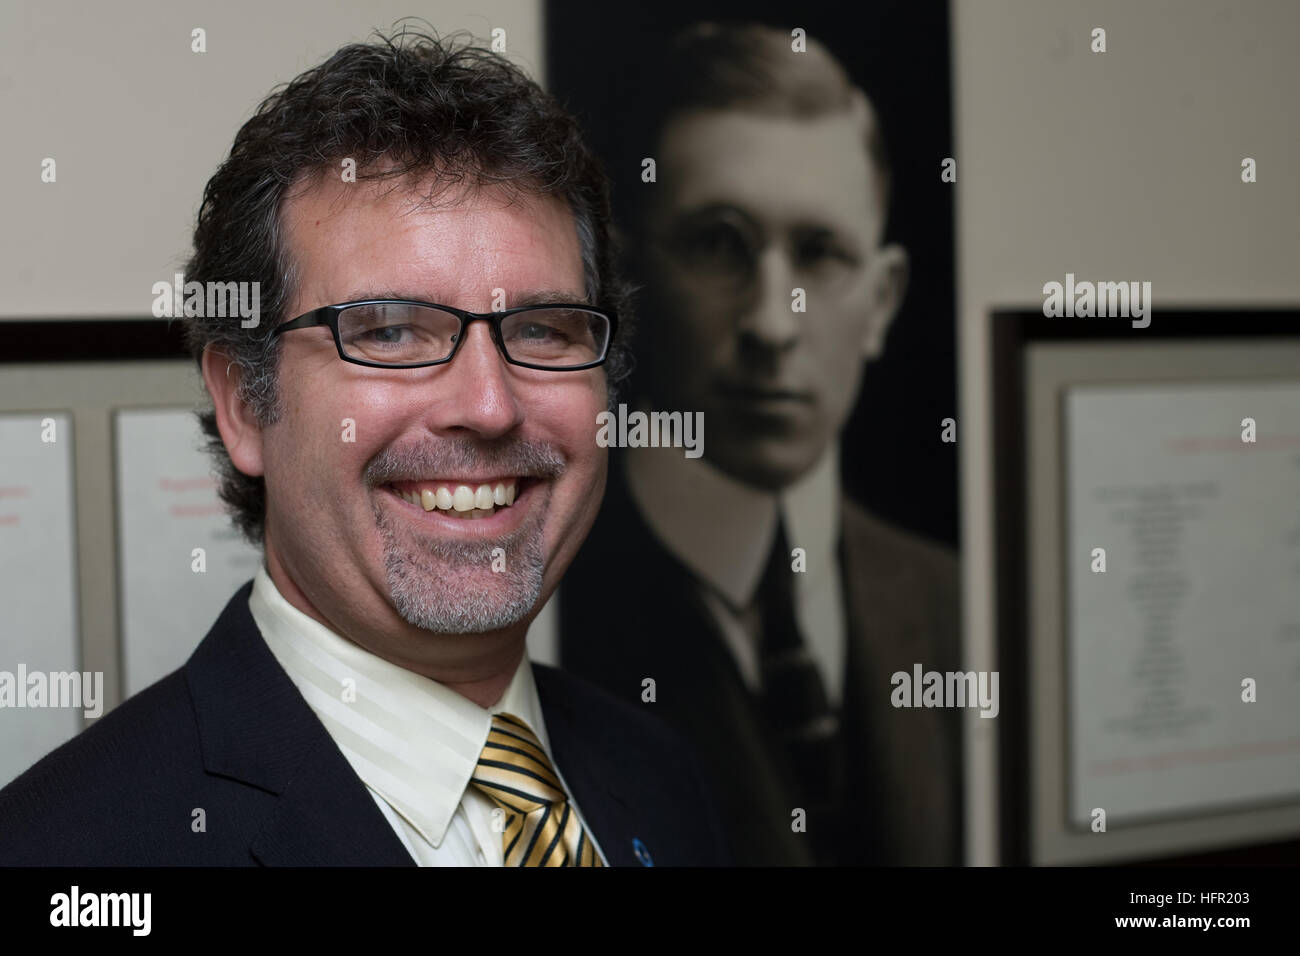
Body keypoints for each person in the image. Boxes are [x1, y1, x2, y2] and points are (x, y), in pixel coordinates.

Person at [0, 29, 725, 868]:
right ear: (244, 403)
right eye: (389, 332)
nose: (488, 407)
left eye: (541, 330)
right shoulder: (66, 852)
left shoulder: (659, 776)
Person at [557, 22, 962, 865]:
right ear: (626, 283)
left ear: (883, 301)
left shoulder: (954, 604)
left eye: (820, 254)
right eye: (718, 244)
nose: (774, 323)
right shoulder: (548, 607)